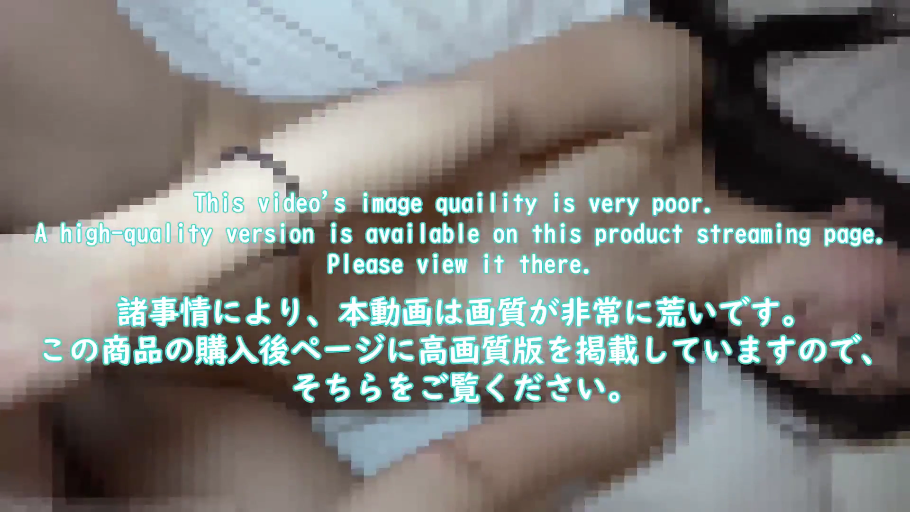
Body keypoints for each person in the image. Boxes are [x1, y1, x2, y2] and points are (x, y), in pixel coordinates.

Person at [1, 3, 907, 511]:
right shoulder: (659, 92)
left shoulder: (638, 400)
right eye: (889, 320)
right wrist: (140, 260)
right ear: (860, 217)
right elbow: (471, 114)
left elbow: (463, 476)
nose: (842, 347)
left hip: (176, 389)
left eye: (854, 375)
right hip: (172, 166)